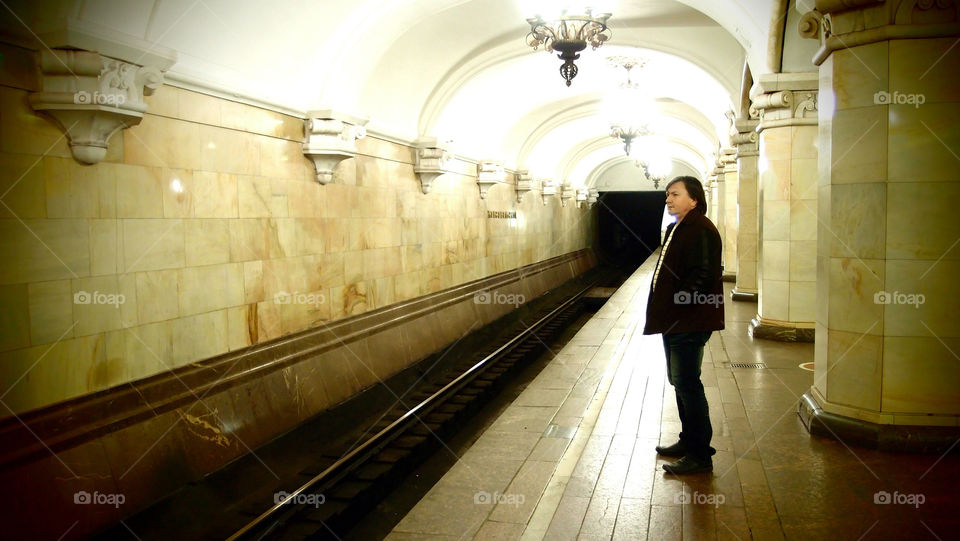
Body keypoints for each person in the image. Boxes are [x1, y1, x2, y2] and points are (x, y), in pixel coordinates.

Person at [644, 175, 724, 474]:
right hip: (674, 321)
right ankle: (688, 441)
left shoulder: (701, 229)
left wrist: (678, 302)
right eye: (667, 194)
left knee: (689, 385)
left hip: (689, 320)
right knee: (679, 382)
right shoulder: (676, 228)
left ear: (694, 198)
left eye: (675, 194)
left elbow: (703, 276)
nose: (668, 199)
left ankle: (700, 454)